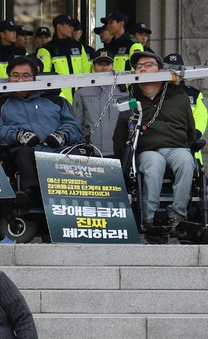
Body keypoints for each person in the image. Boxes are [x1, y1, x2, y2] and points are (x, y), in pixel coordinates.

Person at [113, 51, 197, 241]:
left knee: (186, 161)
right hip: (147, 151)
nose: (142, 68)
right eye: (138, 66)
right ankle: (148, 220)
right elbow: (119, 137)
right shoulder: (130, 101)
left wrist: (188, 145)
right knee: (153, 166)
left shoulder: (180, 97)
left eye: (148, 64)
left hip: (177, 147)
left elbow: (191, 131)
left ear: (160, 70)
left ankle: (177, 216)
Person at [0, 56, 84, 206]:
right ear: (9, 78)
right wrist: (18, 135)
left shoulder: (56, 101)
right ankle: (31, 192)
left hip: (58, 150)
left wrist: (61, 135)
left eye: (26, 76)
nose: (20, 80)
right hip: (25, 153)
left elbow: (74, 126)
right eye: (15, 76)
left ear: (34, 78)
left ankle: (79, 198)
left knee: (77, 155)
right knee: (24, 153)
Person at [71, 49, 126, 157]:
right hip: (91, 151)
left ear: (113, 66)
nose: (104, 68)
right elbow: (77, 122)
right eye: (100, 64)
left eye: (107, 64)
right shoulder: (82, 91)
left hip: (117, 150)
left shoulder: (122, 90)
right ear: (93, 66)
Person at [163, 53, 207, 164]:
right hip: (163, 146)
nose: (173, 72)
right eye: (169, 69)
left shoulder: (194, 94)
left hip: (190, 147)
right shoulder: (157, 92)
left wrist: (194, 135)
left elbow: (201, 116)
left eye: (176, 69)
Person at [36, 14, 89, 104]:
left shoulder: (79, 46)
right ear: (59, 27)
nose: (71, 28)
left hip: (81, 100)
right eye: (69, 25)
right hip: (57, 101)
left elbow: (86, 72)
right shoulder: (46, 49)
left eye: (72, 26)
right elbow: (43, 79)